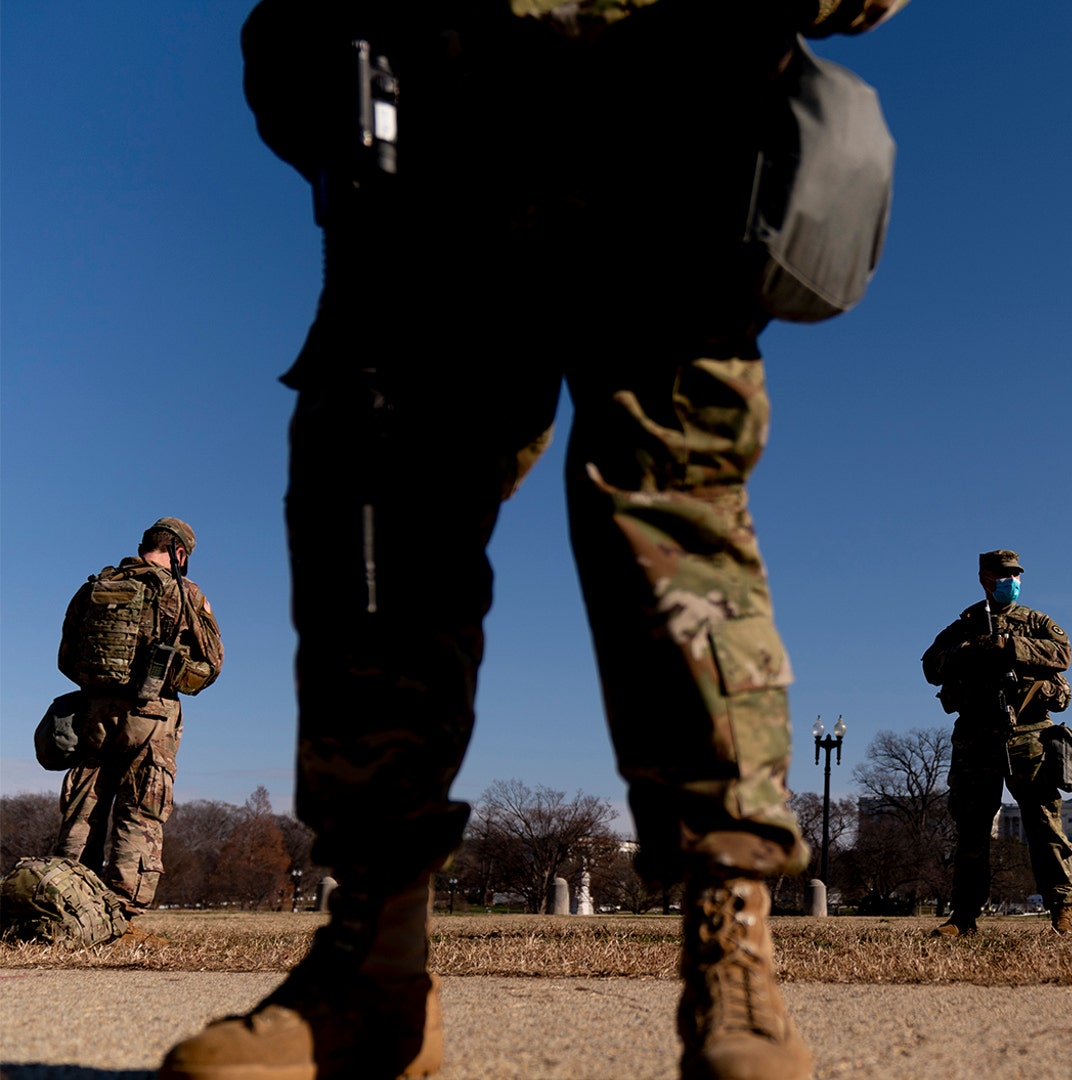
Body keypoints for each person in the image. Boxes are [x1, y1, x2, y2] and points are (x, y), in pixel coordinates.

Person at [161, 3, 908, 1079]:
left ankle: (732, 951)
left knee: (678, 544)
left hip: (674, 159)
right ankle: (374, 962)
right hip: (440, 165)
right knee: (376, 538)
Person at [55, 517, 223, 921]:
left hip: (93, 715)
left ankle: (65, 904)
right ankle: (122, 914)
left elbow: (66, 659)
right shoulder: (183, 593)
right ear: (179, 553)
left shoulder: (95, 588)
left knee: (83, 809)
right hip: (151, 718)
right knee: (140, 812)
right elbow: (213, 663)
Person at [921, 549, 1072, 936]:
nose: (1012, 582)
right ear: (985, 579)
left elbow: (1063, 654)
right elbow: (929, 666)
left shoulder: (1037, 622)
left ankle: (1062, 910)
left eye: (1016, 575)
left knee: (1044, 825)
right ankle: (963, 916)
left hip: (1029, 736)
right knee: (972, 830)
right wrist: (971, 652)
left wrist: (1012, 647)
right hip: (976, 739)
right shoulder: (966, 625)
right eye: (1004, 575)